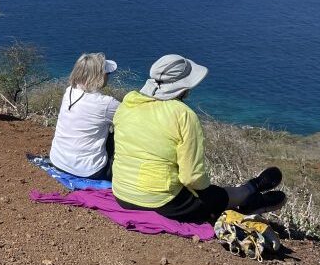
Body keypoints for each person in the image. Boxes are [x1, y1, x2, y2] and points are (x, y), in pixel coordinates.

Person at [112, 54, 285, 224]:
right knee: (215, 196)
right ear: (184, 87)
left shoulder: (128, 103)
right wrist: (208, 193)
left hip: (121, 194)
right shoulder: (183, 114)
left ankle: (251, 195)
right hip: (160, 202)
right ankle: (251, 191)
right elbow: (191, 178)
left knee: (203, 192)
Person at [48, 53, 120, 180]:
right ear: (99, 76)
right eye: (106, 74)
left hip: (58, 161)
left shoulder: (69, 91)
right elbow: (133, 119)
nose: (108, 77)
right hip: (89, 171)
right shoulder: (106, 104)